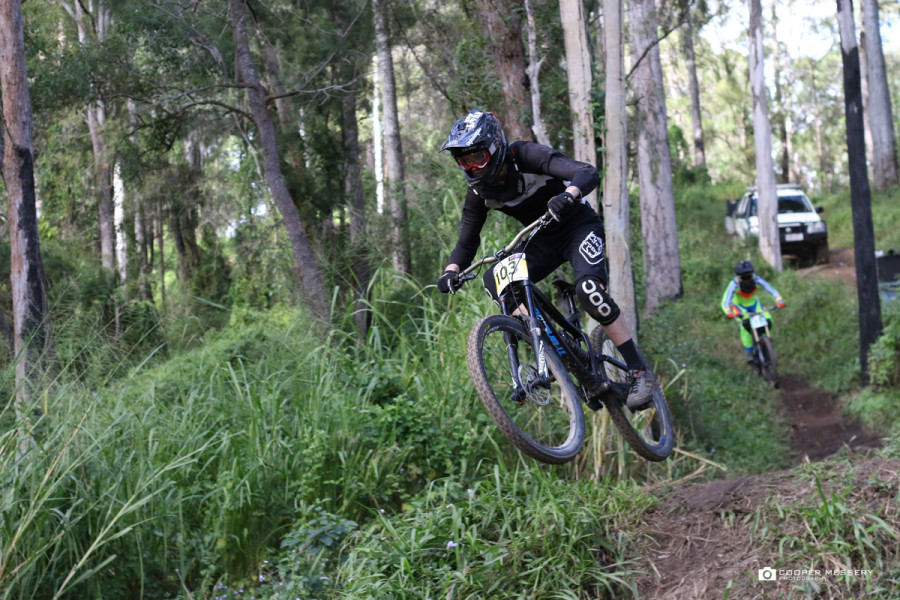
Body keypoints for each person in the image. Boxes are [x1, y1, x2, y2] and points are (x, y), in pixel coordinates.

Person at [435, 108, 654, 409]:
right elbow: (466, 242)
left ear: (496, 148)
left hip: (578, 227)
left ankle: (639, 369)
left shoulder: (525, 155)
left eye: (477, 158)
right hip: (542, 240)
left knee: (589, 291)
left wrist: (569, 195)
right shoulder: (479, 192)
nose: (472, 168)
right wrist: (451, 271)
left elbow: (586, 171)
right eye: (464, 161)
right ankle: (558, 352)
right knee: (494, 280)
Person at [720, 260, 785, 363]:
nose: (747, 279)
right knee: (744, 326)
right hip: (739, 308)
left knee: (768, 320)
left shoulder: (757, 280)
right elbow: (725, 301)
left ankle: (768, 344)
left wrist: (779, 300)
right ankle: (749, 352)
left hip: (755, 305)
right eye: (744, 277)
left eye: (749, 276)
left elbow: (772, 290)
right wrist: (728, 311)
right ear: (738, 277)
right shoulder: (733, 285)